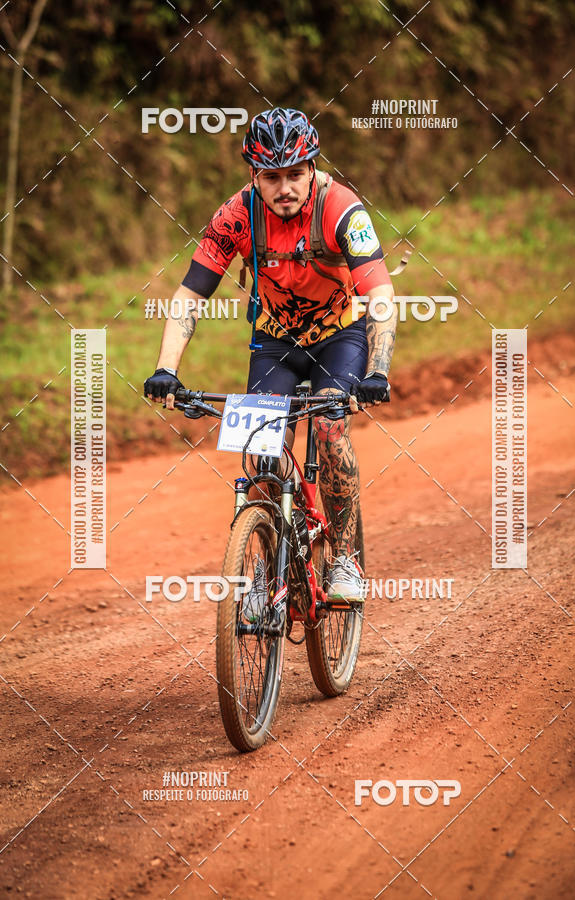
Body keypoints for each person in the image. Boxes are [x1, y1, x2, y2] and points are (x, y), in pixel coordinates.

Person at [144, 107, 397, 601]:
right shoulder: (235, 216)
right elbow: (190, 294)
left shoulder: (344, 209)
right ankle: (264, 564)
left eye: (295, 174)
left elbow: (381, 295)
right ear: (253, 175)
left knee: (329, 428)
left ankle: (344, 558)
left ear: (312, 168)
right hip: (275, 341)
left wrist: (378, 371)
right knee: (261, 449)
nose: (284, 188)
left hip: (338, 336)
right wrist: (166, 369)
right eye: (271, 177)